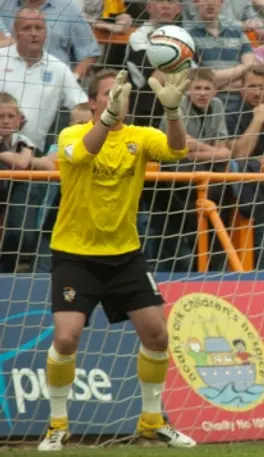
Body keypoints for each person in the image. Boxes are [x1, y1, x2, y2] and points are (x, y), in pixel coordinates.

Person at [38, 68, 196, 451]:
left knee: (158, 334)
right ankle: (57, 424)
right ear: (92, 102)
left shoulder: (140, 137)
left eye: (121, 94)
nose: (116, 100)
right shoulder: (72, 133)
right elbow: (84, 151)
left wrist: (173, 115)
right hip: (76, 254)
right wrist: (106, 121)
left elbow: (178, 151)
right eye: (109, 94)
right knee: (66, 337)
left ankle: (152, 421)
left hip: (125, 254)